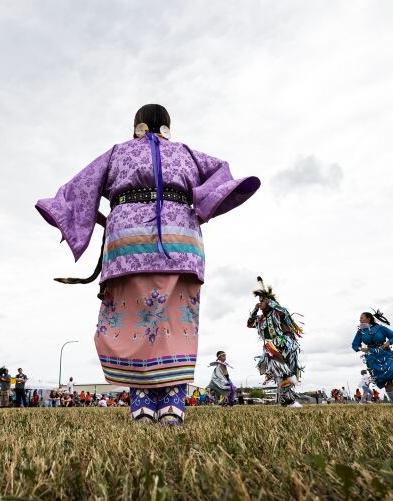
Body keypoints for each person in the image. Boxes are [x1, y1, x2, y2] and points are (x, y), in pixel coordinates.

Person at [37, 104, 260, 425]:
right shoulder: (186, 153)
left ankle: (141, 399)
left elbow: (80, 189)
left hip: (127, 241)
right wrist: (201, 204)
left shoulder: (116, 154)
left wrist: (79, 214)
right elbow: (221, 175)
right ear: (168, 127)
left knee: (130, 319)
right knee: (177, 319)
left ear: (136, 126)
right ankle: (173, 401)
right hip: (180, 239)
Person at [248, 277, 304, 408]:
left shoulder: (277, 312)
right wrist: (256, 309)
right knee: (280, 372)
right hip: (271, 346)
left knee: (286, 371)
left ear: (268, 302)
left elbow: (285, 313)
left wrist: (271, 303)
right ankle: (287, 399)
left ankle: (288, 399)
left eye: (261, 302)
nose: (259, 304)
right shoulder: (261, 318)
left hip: (286, 343)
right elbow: (249, 323)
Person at [351, 310, 393, 407]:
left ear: (368, 319)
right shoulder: (361, 332)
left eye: (361, 317)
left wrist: (388, 343)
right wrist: (361, 348)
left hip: (386, 353)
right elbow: (355, 345)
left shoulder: (380, 328)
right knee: (385, 380)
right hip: (372, 357)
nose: (359, 319)